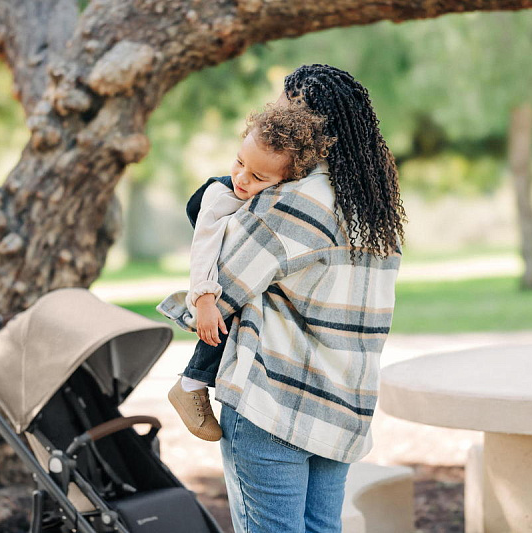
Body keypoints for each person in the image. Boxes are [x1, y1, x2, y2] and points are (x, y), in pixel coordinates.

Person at [212, 64, 406, 532]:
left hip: (275, 403)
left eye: (283, 110)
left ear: (305, 123)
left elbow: (220, 291)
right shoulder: (373, 208)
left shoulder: (295, 199)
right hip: (341, 407)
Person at [157, 102, 335, 442]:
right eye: (240, 163)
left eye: (258, 177)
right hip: (216, 267)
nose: (242, 178)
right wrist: (204, 299)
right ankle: (191, 383)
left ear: (287, 181)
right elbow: (203, 249)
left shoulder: (285, 197)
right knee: (223, 319)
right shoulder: (221, 195)